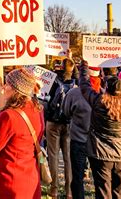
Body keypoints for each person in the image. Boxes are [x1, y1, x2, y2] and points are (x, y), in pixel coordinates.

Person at [0, 68, 44, 199]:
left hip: (10, 180)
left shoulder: (8, 116)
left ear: (16, 90)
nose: (4, 87)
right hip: (31, 176)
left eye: (7, 84)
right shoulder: (38, 110)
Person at [80, 58, 121, 199]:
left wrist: (84, 66)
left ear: (106, 88)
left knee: (103, 192)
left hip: (100, 153)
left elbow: (84, 86)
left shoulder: (99, 102)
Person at [45, 57, 77, 199]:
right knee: (68, 158)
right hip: (69, 123)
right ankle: (69, 191)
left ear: (60, 67)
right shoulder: (75, 83)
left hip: (53, 121)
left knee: (53, 156)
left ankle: (54, 190)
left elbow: (47, 99)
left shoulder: (54, 80)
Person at [62, 66, 92, 199]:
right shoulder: (103, 93)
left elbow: (66, 111)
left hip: (79, 140)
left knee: (78, 176)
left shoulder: (74, 93)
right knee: (102, 177)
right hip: (97, 141)